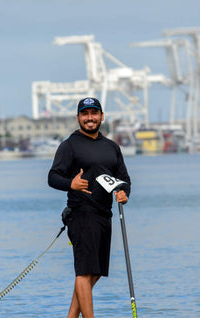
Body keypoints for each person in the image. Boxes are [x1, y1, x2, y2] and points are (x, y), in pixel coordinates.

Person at [48, 97, 131, 318]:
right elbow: (52, 177)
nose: (90, 118)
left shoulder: (111, 147)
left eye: (94, 113)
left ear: (102, 116)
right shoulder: (69, 145)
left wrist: (124, 194)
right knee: (84, 272)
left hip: (104, 215)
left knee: (94, 273)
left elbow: (123, 179)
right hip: (81, 215)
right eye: (85, 114)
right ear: (78, 118)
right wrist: (71, 184)